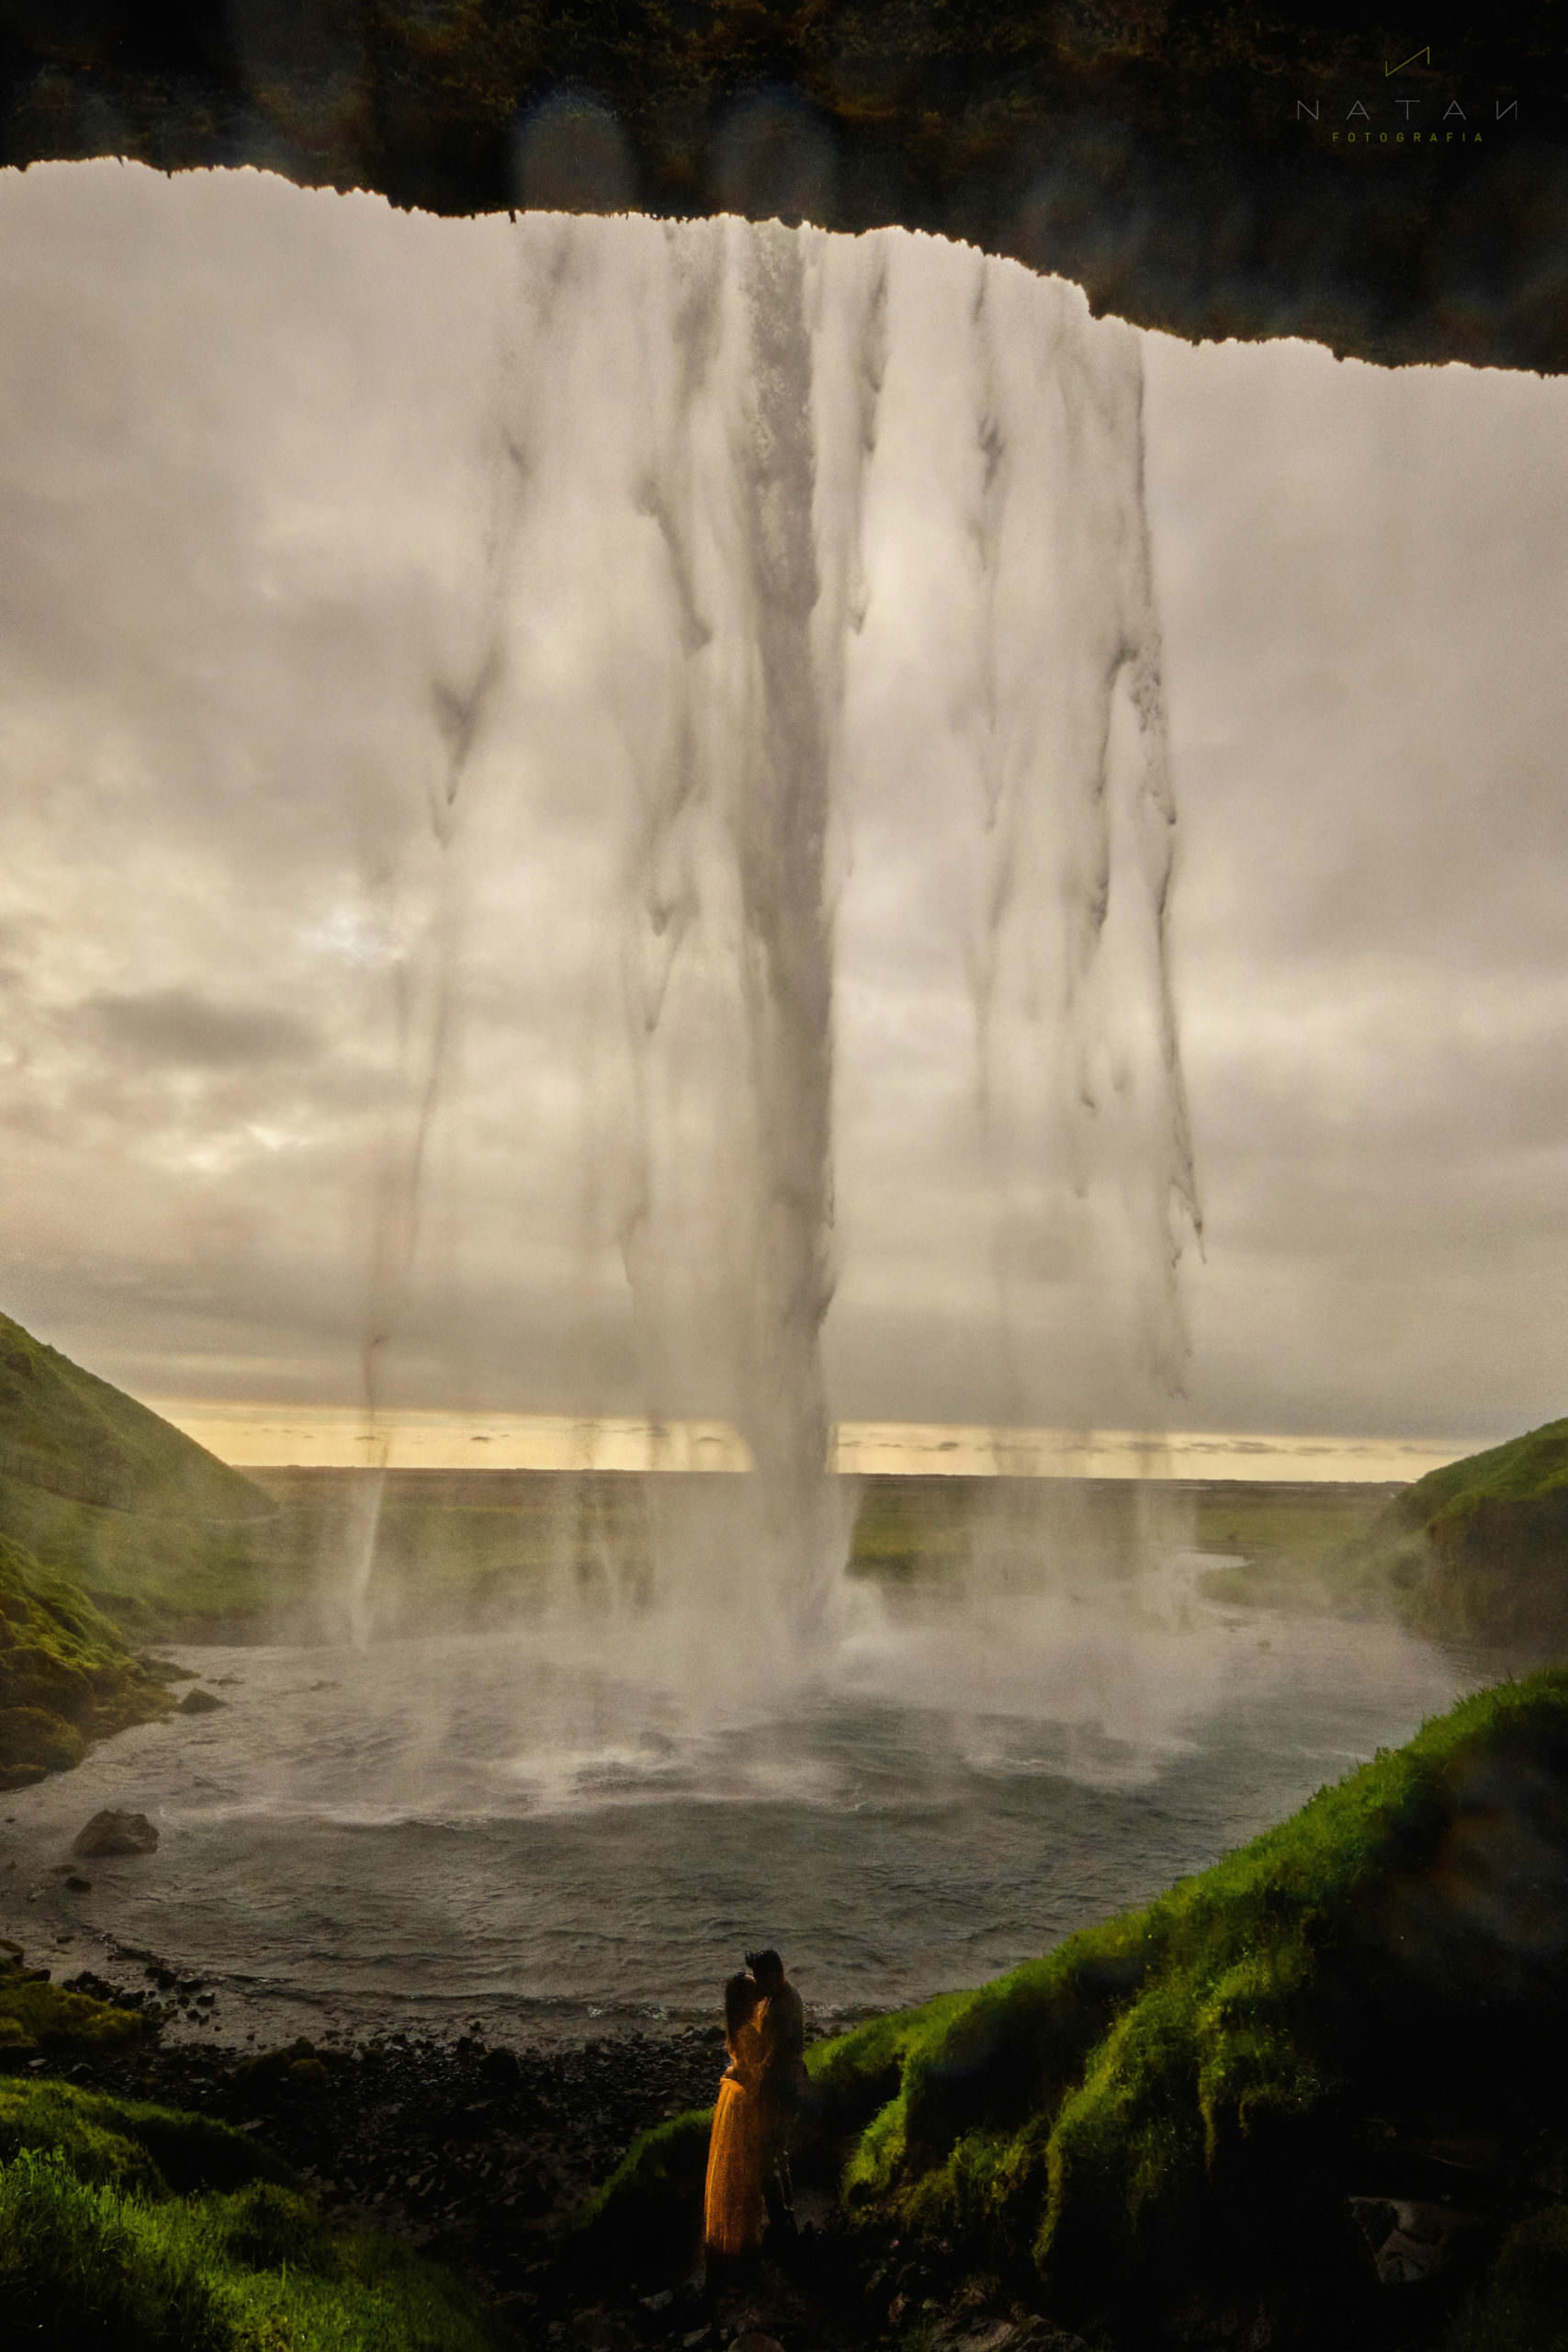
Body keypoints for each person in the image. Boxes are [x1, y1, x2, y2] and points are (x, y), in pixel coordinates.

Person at [702, 1970, 767, 2267]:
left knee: (733, 2167)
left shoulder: (736, 2026)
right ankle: (743, 2238)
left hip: (732, 2098)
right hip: (744, 2101)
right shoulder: (748, 2032)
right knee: (743, 2168)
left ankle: (735, 2236)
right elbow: (756, 2072)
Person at [744, 1947, 809, 2236]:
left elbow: (775, 2056)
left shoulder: (782, 2008)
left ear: (774, 1974)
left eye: (760, 1977)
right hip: (788, 2084)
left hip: (781, 2088)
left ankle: (781, 2223)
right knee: (777, 2154)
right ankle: (786, 2216)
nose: (757, 1983)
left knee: (766, 2157)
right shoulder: (783, 1996)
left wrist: (755, 2084)